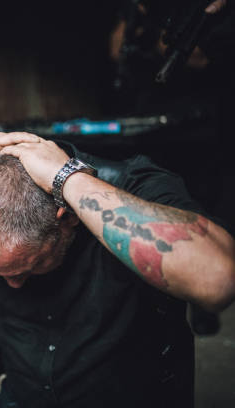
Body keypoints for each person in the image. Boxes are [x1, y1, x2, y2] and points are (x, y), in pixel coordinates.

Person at [0, 131, 235, 408]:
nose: (11, 284)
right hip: (23, 390)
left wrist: (68, 179)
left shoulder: (134, 182)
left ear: (64, 219)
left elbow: (217, 279)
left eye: (27, 267)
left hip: (130, 393)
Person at [108, 0, 235, 335]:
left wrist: (158, 42)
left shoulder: (200, 13)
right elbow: (116, 51)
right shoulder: (136, 13)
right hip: (152, 123)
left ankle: (200, 302)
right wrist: (135, 17)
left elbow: (203, 58)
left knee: (200, 205)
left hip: (197, 124)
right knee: (153, 200)